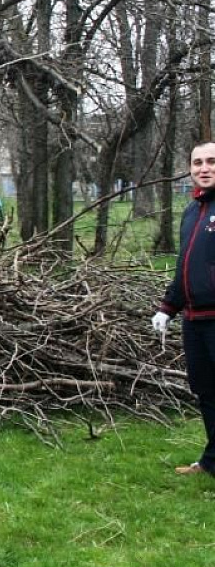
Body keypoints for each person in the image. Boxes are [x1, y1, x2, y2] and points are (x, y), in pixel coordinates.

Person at [152, 142, 215, 479]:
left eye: (212, 162)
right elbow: (184, 267)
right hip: (194, 321)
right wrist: (167, 307)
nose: (204, 168)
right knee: (206, 392)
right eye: (197, 162)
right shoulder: (192, 211)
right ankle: (212, 462)